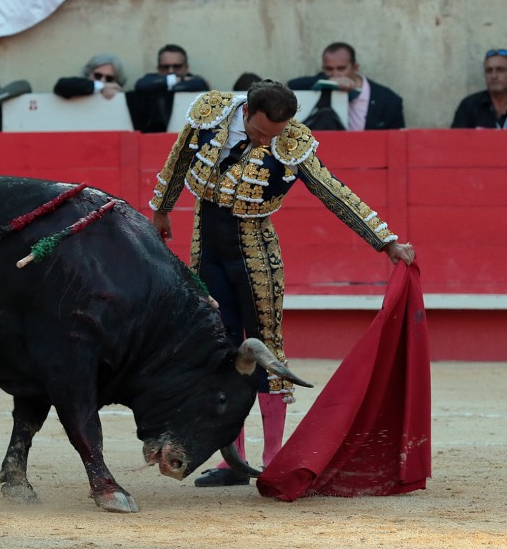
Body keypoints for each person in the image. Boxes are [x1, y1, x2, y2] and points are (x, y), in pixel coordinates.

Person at [149, 80, 415, 487]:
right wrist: (163, 209)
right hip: (206, 244)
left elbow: (334, 192)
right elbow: (179, 158)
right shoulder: (211, 112)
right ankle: (230, 460)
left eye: (274, 134)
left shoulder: (292, 141)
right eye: (259, 131)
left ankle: (273, 457)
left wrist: (387, 241)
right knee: (221, 349)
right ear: (246, 110)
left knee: (266, 348)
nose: (266, 140)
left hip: (254, 251)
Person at [287, 42, 404, 130]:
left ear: (355, 68)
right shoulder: (322, 83)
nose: (336, 74)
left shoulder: (388, 100)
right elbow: (291, 85)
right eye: (329, 69)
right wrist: (328, 80)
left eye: (341, 68)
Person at [127, 44, 210, 132]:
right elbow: (140, 85)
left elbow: (202, 84)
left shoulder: (195, 82)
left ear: (186, 67)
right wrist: (175, 80)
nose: (171, 71)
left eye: (177, 66)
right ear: (158, 68)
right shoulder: (150, 81)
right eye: (165, 67)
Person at [451, 48, 507, 129]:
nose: (494, 76)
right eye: (489, 71)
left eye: (500, 70)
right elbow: (455, 140)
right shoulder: (469, 105)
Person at [53, 53, 127, 100]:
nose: (102, 80)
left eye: (109, 78)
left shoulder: (120, 95)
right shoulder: (77, 86)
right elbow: (62, 86)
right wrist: (101, 86)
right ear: (89, 73)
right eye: (98, 75)